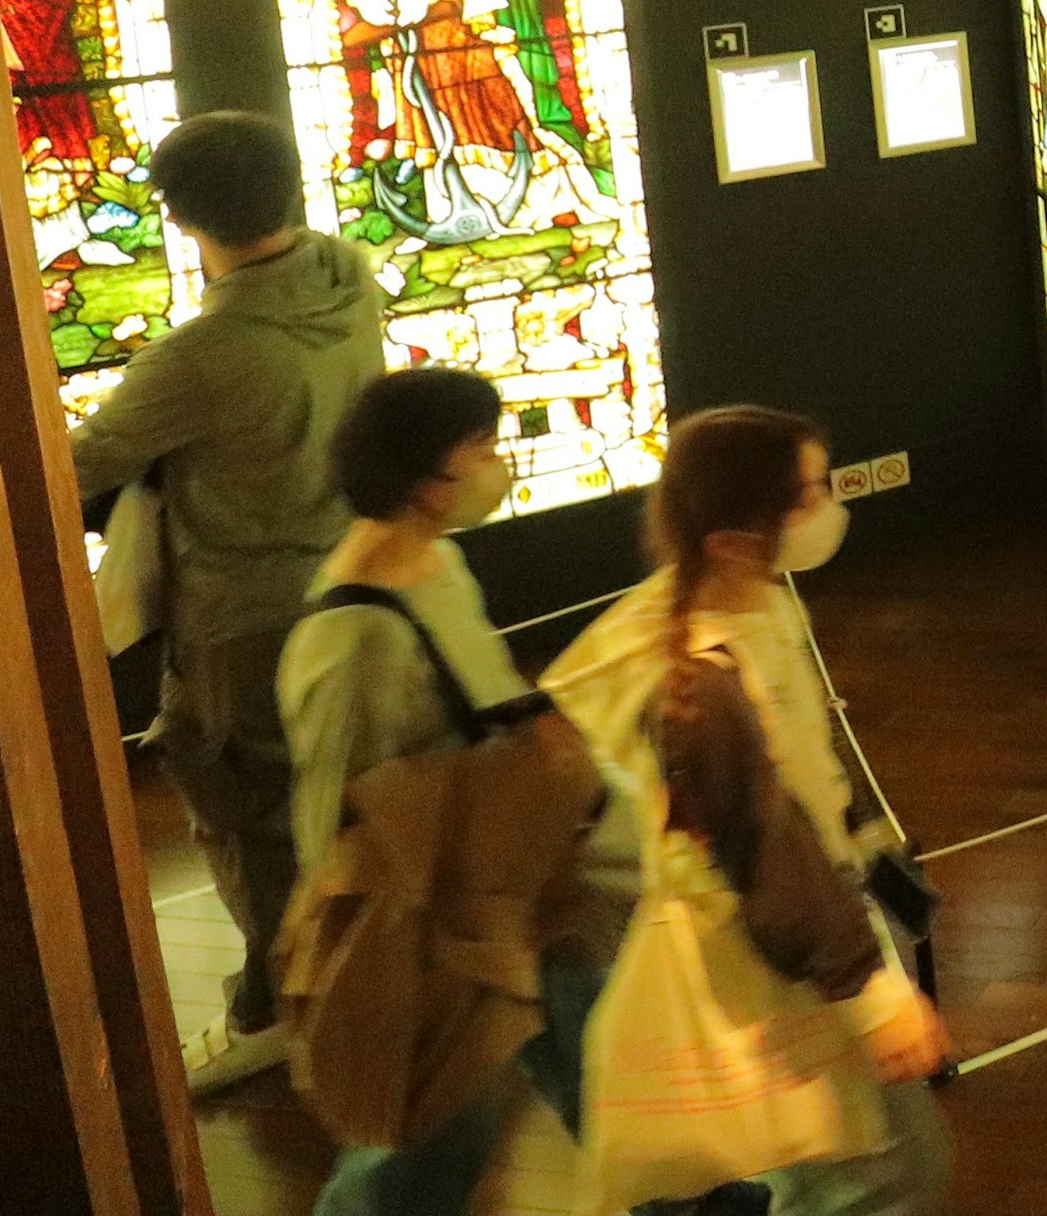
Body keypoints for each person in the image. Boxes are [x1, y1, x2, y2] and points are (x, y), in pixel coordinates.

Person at [547, 408, 951, 1216]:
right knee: (878, 1176)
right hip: (785, 962)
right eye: (807, 496)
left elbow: (810, 768)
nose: (827, 509)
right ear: (732, 539)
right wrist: (871, 996)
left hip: (813, 934)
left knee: (860, 1171)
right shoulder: (706, 685)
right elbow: (765, 850)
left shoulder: (759, 603)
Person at [70, 106, 386, 1091]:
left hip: (239, 615)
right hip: (352, 582)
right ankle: (367, 979)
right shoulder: (346, 272)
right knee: (335, 791)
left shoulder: (199, 355)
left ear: (178, 215)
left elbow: (75, 460)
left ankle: (271, 1005)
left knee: (243, 810)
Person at [282, 366, 593, 1216]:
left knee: (580, 1042)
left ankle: (677, 1190)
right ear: (425, 475)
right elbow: (337, 812)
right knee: (425, 1127)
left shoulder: (436, 565)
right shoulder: (355, 632)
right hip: (430, 915)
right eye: (482, 447)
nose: (501, 463)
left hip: (495, 880)